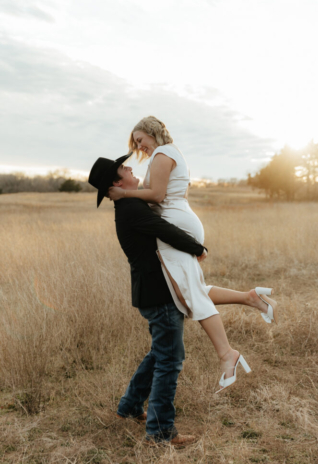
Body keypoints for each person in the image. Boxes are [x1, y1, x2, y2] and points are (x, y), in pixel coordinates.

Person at [108, 116, 278, 393]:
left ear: (153, 133)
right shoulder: (167, 154)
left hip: (174, 224)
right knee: (188, 289)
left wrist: (123, 195)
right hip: (178, 221)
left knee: (188, 291)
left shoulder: (164, 153)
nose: (140, 146)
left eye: (141, 140)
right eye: (136, 143)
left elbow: (159, 194)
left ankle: (227, 355)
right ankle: (250, 298)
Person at [88, 152, 209, 446]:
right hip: (158, 294)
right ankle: (160, 432)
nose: (131, 167)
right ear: (118, 181)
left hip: (151, 293)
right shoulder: (130, 206)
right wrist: (197, 248)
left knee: (159, 353)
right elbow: (163, 230)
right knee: (170, 360)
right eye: (124, 168)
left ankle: (129, 407)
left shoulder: (129, 203)